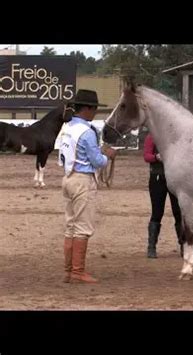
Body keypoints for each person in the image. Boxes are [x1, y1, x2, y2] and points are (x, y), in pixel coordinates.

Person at [59, 89, 117, 283]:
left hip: (68, 177)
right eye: (94, 109)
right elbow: (98, 161)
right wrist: (107, 155)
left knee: (70, 226)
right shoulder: (87, 131)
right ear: (88, 108)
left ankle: (69, 270)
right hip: (83, 179)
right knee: (83, 227)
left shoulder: (68, 127)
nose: (94, 113)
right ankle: (77, 271)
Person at [143, 132, 185, 258]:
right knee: (157, 212)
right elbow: (147, 156)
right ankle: (151, 246)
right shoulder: (152, 137)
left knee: (178, 212)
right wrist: (156, 157)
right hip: (157, 177)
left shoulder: (176, 137)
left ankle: (183, 244)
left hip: (174, 177)